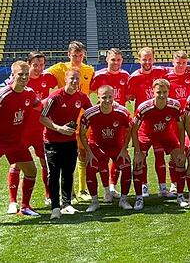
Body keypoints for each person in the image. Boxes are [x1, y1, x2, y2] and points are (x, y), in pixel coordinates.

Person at [0, 61, 41, 227]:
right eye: (20, 74)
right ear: (13, 75)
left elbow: (40, 108)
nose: (24, 77)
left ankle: (25, 206)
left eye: (27, 74)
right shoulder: (2, 94)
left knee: (31, 171)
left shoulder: (30, 93)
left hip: (16, 142)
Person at [7, 51, 57, 214]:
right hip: (21, 131)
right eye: (35, 65)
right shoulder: (21, 82)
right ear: (29, 65)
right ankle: (13, 201)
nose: (39, 68)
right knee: (16, 164)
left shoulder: (49, 78)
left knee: (46, 163)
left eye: (42, 65)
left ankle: (48, 195)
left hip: (41, 129)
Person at [40, 70, 93, 219]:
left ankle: (67, 204)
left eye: (77, 79)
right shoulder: (55, 97)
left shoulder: (82, 97)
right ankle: (55, 207)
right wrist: (58, 128)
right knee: (54, 174)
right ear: (65, 79)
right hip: (52, 141)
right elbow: (42, 117)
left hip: (70, 141)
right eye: (72, 78)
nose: (75, 81)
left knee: (68, 173)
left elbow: (91, 113)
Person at [45, 41, 95, 200]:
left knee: (82, 153)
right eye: (75, 55)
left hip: (83, 118)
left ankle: (82, 189)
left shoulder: (89, 70)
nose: (78, 58)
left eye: (80, 55)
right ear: (69, 55)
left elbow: (93, 88)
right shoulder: (60, 68)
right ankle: (70, 193)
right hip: (65, 118)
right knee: (66, 158)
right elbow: (42, 73)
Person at [131, 79, 188, 210]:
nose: (162, 95)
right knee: (138, 162)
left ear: (169, 92)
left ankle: (180, 196)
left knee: (179, 159)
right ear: (153, 92)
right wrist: (138, 152)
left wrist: (180, 149)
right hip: (146, 134)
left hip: (165, 133)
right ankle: (139, 198)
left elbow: (180, 128)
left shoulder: (175, 105)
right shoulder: (144, 107)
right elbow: (134, 130)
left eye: (164, 92)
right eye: (158, 92)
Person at [79, 86, 133, 212]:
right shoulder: (90, 113)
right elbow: (82, 133)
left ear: (114, 97)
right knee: (91, 168)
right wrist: (89, 152)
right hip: (97, 147)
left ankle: (123, 200)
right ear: (98, 98)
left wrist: (124, 149)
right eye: (104, 97)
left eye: (110, 97)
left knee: (126, 166)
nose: (107, 100)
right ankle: (95, 201)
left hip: (116, 147)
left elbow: (130, 129)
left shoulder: (122, 111)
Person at [127, 47, 170, 198]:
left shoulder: (161, 72)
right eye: (144, 59)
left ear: (154, 59)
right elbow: (128, 97)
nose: (147, 62)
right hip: (142, 124)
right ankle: (144, 187)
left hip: (160, 123)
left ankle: (162, 188)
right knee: (141, 156)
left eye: (149, 58)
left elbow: (178, 68)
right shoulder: (133, 78)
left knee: (160, 156)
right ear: (139, 60)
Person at [89, 48, 130, 200]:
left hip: (119, 120)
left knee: (118, 152)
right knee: (102, 156)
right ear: (107, 60)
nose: (116, 63)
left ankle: (113, 187)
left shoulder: (125, 75)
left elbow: (129, 94)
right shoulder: (99, 76)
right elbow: (91, 91)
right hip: (102, 119)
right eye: (113, 60)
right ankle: (107, 190)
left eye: (119, 60)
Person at [168, 50, 190, 194]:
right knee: (175, 151)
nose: (181, 66)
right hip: (174, 120)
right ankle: (174, 182)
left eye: (184, 63)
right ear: (172, 62)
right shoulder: (166, 76)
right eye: (178, 63)